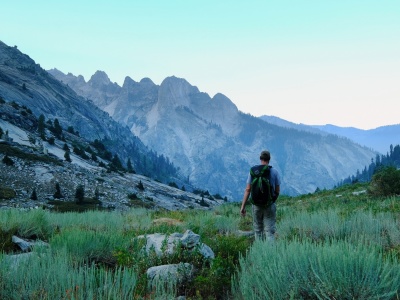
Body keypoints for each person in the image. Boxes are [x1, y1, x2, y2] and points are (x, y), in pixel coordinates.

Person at [240, 150, 281, 241]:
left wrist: (243, 207)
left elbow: (248, 190)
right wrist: (272, 200)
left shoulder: (254, 172)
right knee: (269, 232)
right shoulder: (274, 171)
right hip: (269, 205)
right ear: (269, 159)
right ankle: (270, 254)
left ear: (260, 159)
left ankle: (259, 251)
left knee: (258, 230)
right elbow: (277, 190)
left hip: (256, 206)